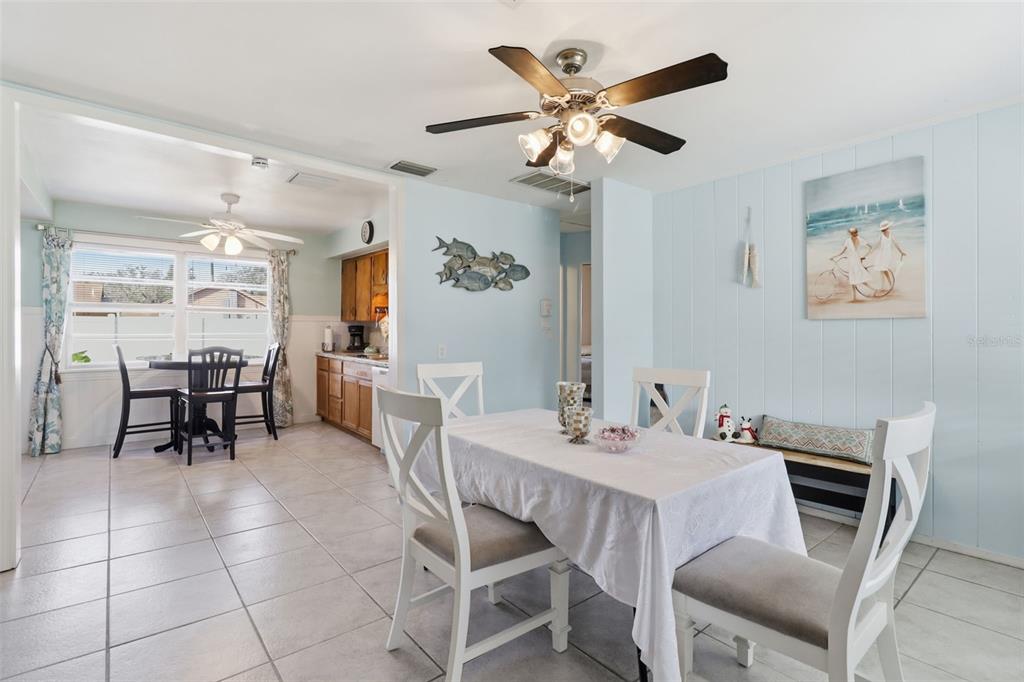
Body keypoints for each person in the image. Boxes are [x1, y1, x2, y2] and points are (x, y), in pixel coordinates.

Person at [830, 227, 872, 301]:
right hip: (852, 261)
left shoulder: (858, 239)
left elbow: (870, 247)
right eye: (853, 233)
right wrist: (835, 256)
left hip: (856, 260)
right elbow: (842, 251)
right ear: (850, 233)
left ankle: (871, 289)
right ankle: (855, 297)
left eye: (855, 232)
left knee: (858, 278)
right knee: (854, 279)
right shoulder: (848, 241)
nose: (854, 234)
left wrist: (864, 256)